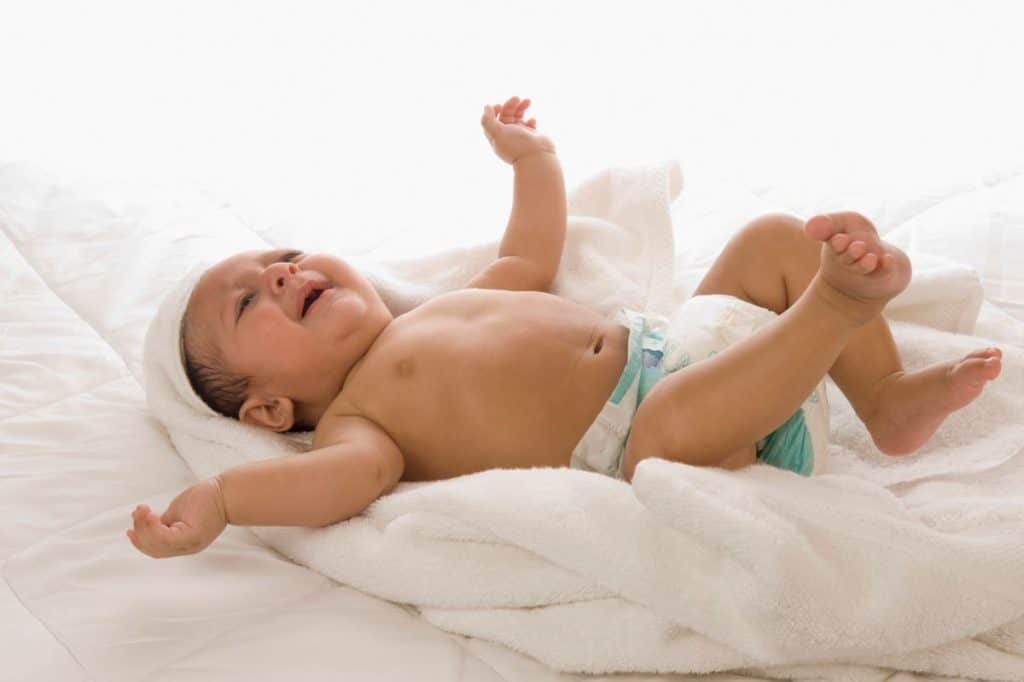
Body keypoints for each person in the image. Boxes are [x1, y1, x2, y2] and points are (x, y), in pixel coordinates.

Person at [128, 96, 1002, 559]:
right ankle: (836, 310)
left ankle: (882, 397)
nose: (282, 273)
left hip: (683, 345)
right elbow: (336, 490)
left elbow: (532, 251)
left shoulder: (437, 311)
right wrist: (224, 500)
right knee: (664, 432)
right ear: (271, 412)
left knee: (771, 241)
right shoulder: (359, 427)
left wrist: (534, 162)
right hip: (658, 439)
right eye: (250, 301)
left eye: (280, 255)